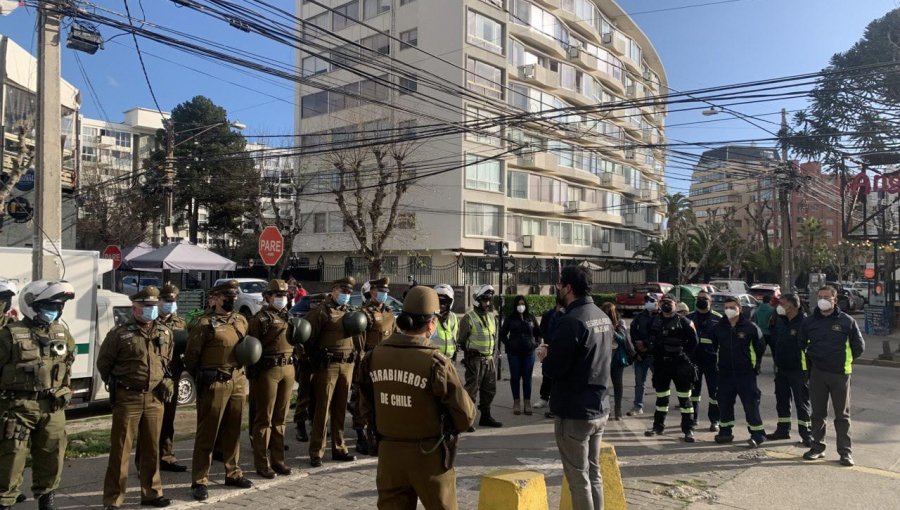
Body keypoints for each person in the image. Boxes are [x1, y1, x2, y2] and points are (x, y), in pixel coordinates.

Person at [359, 286, 476, 510]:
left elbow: (363, 406)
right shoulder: (435, 362)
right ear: (431, 323)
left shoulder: (374, 356)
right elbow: (466, 416)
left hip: (389, 454)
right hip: (428, 454)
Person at [539, 266, 612, 510]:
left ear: (568, 288)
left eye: (560, 285)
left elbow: (554, 369)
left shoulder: (571, 321)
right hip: (599, 406)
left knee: (578, 478)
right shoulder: (602, 315)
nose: (558, 289)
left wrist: (544, 358)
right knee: (594, 473)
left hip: (575, 412)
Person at [0, 280, 76, 510]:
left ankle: (47, 499)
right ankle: (5, 502)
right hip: (18, 408)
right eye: (49, 305)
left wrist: (63, 389)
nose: (54, 310)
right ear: (32, 305)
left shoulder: (61, 333)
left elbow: (67, 363)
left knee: (52, 455)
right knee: (12, 459)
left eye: (58, 306)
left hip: (52, 407)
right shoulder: (9, 335)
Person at [98, 287, 174, 510]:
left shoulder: (164, 332)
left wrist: (164, 380)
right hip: (128, 397)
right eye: (145, 306)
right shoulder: (119, 334)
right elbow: (104, 364)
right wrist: (119, 385)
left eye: (153, 306)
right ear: (134, 308)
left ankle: (152, 493)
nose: (150, 310)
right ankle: (113, 498)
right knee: (120, 449)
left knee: (152, 448)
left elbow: (166, 361)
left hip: (154, 399)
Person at [183, 280, 253, 501]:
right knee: (208, 433)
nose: (231, 299)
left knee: (233, 430)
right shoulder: (203, 324)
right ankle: (200, 480)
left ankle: (233, 472)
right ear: (215, 299)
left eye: (233, 296)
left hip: (238, 381)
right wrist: (203, 378)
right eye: (227, 296)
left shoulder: (241, 320)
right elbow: (192, 357)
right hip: (214, 383)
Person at [801, 286, 865, 466]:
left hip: (840, 375)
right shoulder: (809, 322)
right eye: (820, 297)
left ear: (834, 300)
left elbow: (859, 347)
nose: (823, 300)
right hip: (817, 374)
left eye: (827, 297)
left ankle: (845, 452)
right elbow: (802, 344)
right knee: (817, 414)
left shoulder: (847, 321)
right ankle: (817, 448)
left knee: (842, 416)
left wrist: (843, 361)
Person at [305, 277, 360, 467]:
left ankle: (339, 447)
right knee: (323, 409)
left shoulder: (350, 312)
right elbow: (308, 337)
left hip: (347, 365)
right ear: (334, 290)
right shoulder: (321, 311)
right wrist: (313, 360)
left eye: (348, 292)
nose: (346, 295)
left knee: (340, 409)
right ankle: (316, 451)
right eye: (342, 291)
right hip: (327, 366)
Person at [134, 284, 188, 473]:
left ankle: (166, 457)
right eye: (167, 301)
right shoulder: (150, 322)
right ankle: (143, 463)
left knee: (168, 420)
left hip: (172, 376)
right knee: (148, 423)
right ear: (159, 301)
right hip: (153, 378)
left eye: (173, 301)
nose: (170, 305)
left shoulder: (180, 323)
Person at [247, 279, 295, 478]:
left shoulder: (287, 316)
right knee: (264, 419)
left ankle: (278, 460)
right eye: (278, 295)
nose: (282, 299)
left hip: (288, 368)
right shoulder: (260, 319)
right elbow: (251, 348)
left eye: (285, 295)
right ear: (268, 297)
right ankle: (261, 463)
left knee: (280, 418)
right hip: (268, 370)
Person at [711, 296, 767, 448]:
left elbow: (760, 347)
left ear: (740, 309)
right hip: (725, 374)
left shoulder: (751, 327)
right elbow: (713, 349)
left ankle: (758, 434)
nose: (729, 310)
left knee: (750, 404)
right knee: (724, 403)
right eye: (727, 307)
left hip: (746, 374)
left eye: (732, 307)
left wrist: (755, 366)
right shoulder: (718, 328)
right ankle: (725, 432)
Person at [644, 296, 699, 442]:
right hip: (661, 365)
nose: (666, 305)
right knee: (661, 397)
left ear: (675, 305)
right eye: (663, 302)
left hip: (680, 365)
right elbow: (648, 339)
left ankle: (688, 430)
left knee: (684, 399)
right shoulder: (654, 321)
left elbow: (694, 342)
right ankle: (658, 427)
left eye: (669, 303)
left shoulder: (685, 322)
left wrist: (684, 357)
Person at [352, 278, 397, 455]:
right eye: (381, 291)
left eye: (386, 291)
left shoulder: (389, 312)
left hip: (385, 363)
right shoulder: (364, 313)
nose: (384, 294)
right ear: (372, 292)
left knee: (380, 400)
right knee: (363, 400)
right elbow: (359, 342)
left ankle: (377, 435)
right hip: (368, 362)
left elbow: (395, 335)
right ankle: (361, 435)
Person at [766, 293, 811, 445]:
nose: (779, 306)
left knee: (802, 403)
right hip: (782, 368)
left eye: (782, 303)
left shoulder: (805, 323)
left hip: (799, 370)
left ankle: (807, 435)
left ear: (791, 306)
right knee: (782, 400)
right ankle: (783, 430)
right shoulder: (780, 321)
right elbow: (772, 339)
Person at [457, 284, 502, 429]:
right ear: (477, 300)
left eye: (489, 300)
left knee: (489, 390)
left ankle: (486, 417)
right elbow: (462, 340)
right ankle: (467, 419)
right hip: (475, 360)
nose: (487, 303)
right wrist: (470, 357)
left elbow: (494, 338)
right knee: (471, 391)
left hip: (489, 360)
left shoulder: (491, 317)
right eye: (484, 300)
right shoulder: (468, 318)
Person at [498, 296, 541, 416]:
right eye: (518, 304)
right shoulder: (510, 318)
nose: (521, 306)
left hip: (528, 352)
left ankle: (527, 402)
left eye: (523, 304)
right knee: (515, 377)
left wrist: (536, 343)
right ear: (515, 305)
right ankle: (516, 402)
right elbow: (502, 334)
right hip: (514, 353)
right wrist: (509, 344)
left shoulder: (530, 317)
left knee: (527, 378)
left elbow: (538, 332)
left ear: (525, 305)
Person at [687, 290, 722, 432]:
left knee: (715, 393)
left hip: (712, 361)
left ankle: (715, 420)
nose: (701, 300)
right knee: (694, 392)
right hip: (694, 361)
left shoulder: (718, 318)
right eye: (699, 298)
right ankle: (693, 418)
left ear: (710, 301)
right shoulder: (689, 318)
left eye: (705, 298)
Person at [602, 302, 634, 421]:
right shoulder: (601, 323)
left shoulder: (620, 323)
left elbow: (623, 340)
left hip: (616, 359)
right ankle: (606, 410)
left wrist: (612, 331)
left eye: (607, 313)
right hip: (604, 358)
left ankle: (618, 410)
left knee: (618, 385)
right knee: (604, 386)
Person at [627, 295, 657, 416]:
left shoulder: (660, 317)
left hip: (655, 355)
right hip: (641, 355)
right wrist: (637, 344)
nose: (649, 303)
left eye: (652, 301)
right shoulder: (639, 317)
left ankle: (662, 405)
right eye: (647, 301)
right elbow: (632, 331)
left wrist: (645, 343)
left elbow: (657, 335)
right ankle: (638, 406)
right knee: (640, 382)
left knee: (660, 381)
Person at [535, 297, 565, 415]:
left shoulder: (567, 314)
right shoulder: (549, 315)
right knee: (547, 374)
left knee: (558, 378)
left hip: (560, 350)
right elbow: (542, 329)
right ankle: (544, 397)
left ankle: (555, 402)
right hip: (549, 347)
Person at [431, 284, 459, 360]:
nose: (442, 305)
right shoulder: (429, 317)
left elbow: (455, 336)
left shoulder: (453, 317)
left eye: (445, 302)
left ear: (450, 303)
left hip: (449, 359)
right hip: (433, 359)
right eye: (439, 301)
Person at [754, 294, 777, 358]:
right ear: (770, 301)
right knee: (774, 351)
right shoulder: (772, 310)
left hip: (760, 333)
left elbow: (755, 322)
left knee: (759, 352)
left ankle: (757, 365)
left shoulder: (757, 310)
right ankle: (776, 365)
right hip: (770, 333)